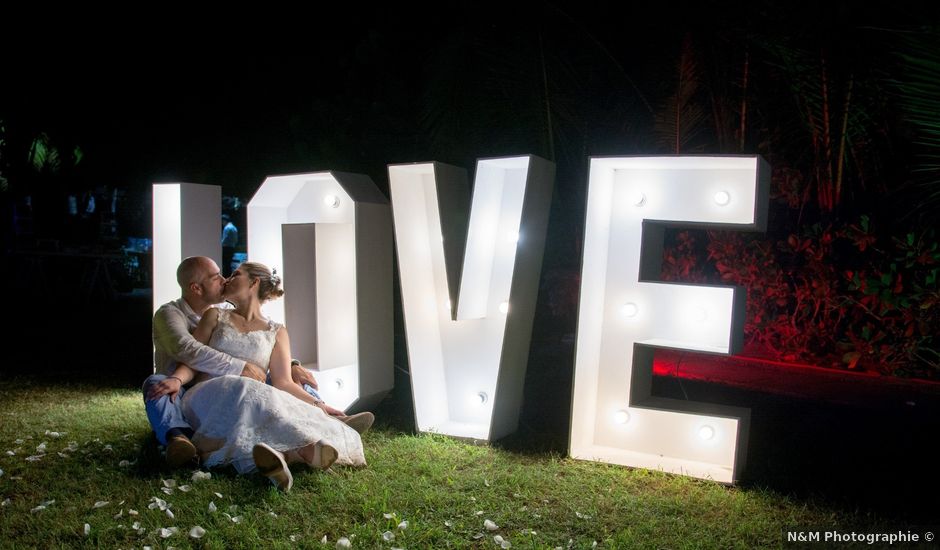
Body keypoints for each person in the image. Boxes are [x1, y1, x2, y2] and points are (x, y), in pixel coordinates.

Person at [154, 262, 368, 491]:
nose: (227, 279)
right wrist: (177, 379)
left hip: (252, 395)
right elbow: (193, 357)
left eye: (235, 274)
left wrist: (320, 405)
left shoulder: (277, 331)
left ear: (253, 283)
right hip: (208, 395)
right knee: (246, 389)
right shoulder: (214, 315)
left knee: (266, 396)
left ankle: (283, 457)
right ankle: (301, 450)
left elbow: (283, 382)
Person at [142, 256, 322, 468]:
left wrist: (292, 364)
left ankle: (321, 416)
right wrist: (240, 367)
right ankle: (178, 438)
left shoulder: (263, 324)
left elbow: (252, 348)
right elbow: (189, 351)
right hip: (182, 386)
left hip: (239, 386)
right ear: (196, 288)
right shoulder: (171, 314)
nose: (224, 279)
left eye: (227, 274)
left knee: (283, 378)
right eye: (215, 277)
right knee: (156, 384)